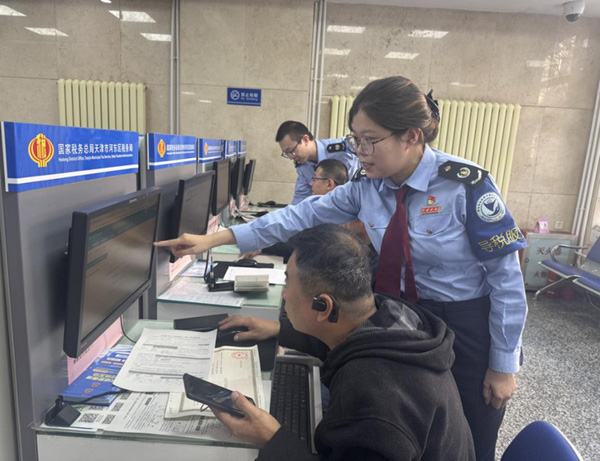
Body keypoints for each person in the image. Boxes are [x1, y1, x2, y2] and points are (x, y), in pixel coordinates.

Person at [155, 76, 528, 461]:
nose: (360, 151)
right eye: (355, 139)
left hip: (465, 323)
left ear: (412, 136)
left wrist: (503, 364)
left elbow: (506, 279)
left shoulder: (466, 184)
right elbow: (298, 216)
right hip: (402, 319)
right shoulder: (368, 187)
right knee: (404, 424)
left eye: (370, 140)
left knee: (469, 435)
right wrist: (214, 240)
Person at [211, 224, 475, 460]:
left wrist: (273, 439)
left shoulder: (372, 402)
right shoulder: (391, 317)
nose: (284, 294)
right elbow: (340, 335)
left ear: (323, 306)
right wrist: (279, 329)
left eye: (288, 281)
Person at [276, 121, 361, 204]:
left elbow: (356, 187)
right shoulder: (302, 165)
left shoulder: (342, 150)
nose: (291, 157)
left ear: (305, 139)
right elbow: (301, 198)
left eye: (291, 151)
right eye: (287, 153)